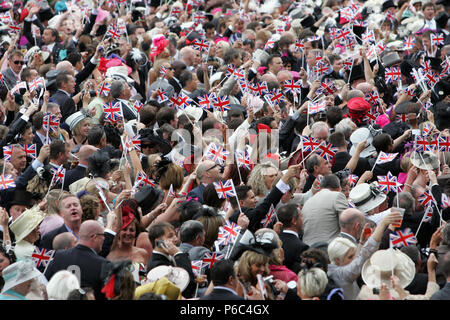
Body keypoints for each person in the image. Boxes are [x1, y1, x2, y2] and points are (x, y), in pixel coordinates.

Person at [327, 211, 401, 300]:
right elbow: (361, 258)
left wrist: (361, 242)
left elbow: (357, 259)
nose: (354, 259)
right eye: (350, 257)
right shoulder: (339, 274)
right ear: (337, 259)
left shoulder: (336, 269)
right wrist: (382, 224)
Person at [44, 220, 112, 300]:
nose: (104, 238)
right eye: (103, 235)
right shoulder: (103, 264)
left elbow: (45, 282)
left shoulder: (59, 256)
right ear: (95, 237)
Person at [301, 174, 349, 246]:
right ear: (339, 189)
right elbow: (347, 223)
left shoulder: (307, 202)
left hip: (308, 250)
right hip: (329, 248)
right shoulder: (338, 195)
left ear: (320, 187)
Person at [277, 204, 309, 274]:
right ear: (294, 221)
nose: (303, 219)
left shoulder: (275, 241)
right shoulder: (301, 247)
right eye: (301, 216)